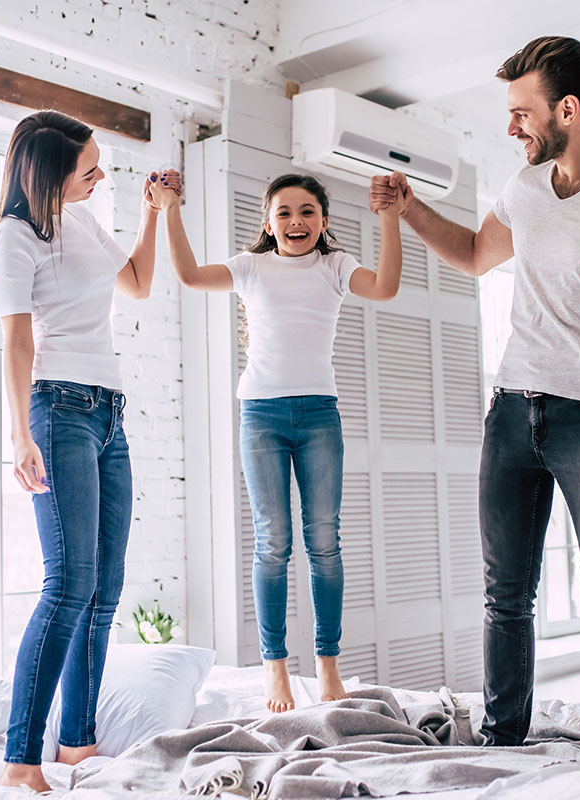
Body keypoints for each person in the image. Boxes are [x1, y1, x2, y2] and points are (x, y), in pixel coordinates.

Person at [369, 36, 580, 765]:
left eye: (522, 112)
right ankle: (503, 744)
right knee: (505, 596)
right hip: (512, 414)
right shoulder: (524, 188)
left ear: (568, 110)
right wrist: (412, 209)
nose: (512, 125)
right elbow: (475, 255)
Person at [150, 172, 404, 712]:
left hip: (319, 415)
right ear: (268, 223)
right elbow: (190, 276)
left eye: (307, 211)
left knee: (325, 542)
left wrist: (389, 218)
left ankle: (328, 664)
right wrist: (170, 207)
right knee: (273, 542)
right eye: (284, 212)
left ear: (324, 221)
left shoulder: (335, 267)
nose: (296, 221)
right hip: (261, 414)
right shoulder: (251, 267)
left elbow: (385, 287)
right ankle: (275, 668)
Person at [0, 110, 176, 791]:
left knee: (103, 589)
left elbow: (138, 283)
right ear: (48, 174)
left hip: (108, 412)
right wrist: (20, 433)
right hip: (57, 410)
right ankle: (20, 762)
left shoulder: (82, 218)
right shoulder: (14, 236)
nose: (99, 178)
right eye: (88, 170)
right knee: (67, 585)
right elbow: (17, 340)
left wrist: (153, 213)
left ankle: (78, 745)